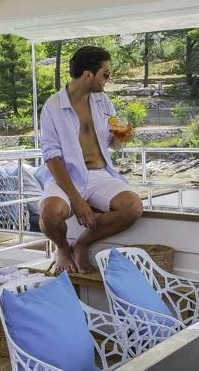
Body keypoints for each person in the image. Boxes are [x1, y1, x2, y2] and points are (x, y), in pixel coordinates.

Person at [38, 45, 141, 273]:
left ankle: (82, 244)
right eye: (105, 74)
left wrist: (123, 138)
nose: (107, 79)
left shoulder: (103, 101)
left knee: (132, 207)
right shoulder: (53, 107)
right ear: (88, 75)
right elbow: (51, 158)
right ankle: (63, 248)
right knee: (49, 214)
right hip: (67, 177)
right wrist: (76, 199)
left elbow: (113, 144)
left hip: (99, 174)